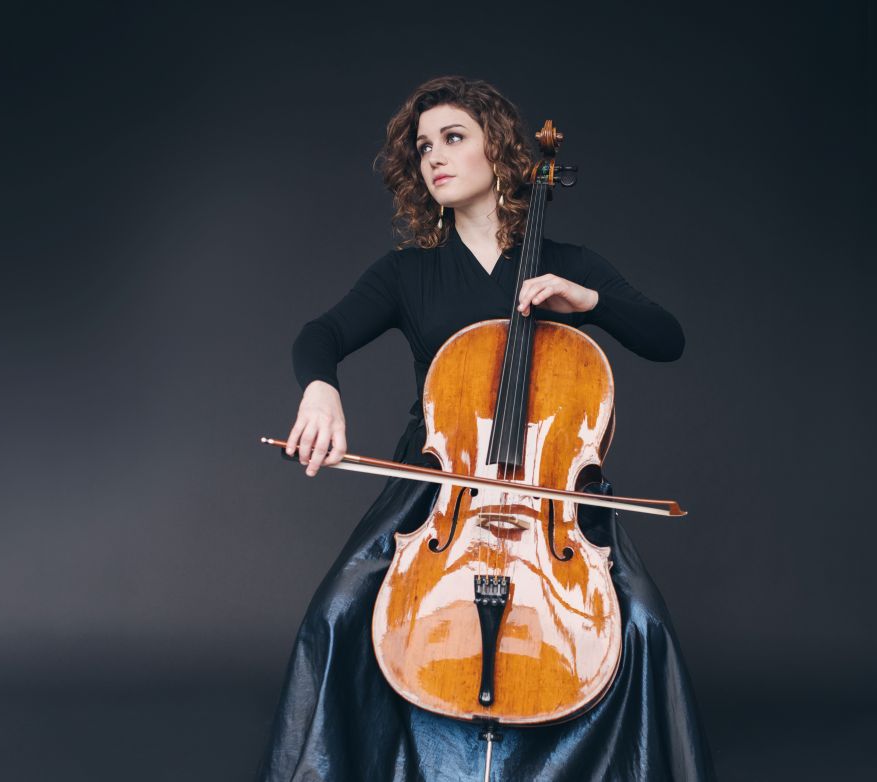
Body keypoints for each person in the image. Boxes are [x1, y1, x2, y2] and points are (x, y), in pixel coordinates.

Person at [256, 75, 715, 782]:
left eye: (453, 138)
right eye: (423, 147)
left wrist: (590, 301)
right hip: (440, 489)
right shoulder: (408, 274)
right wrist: (320, 390)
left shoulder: (569, 265)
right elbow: (321, 335)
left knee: (644, 624)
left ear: (498, 150)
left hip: (552, 496)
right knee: (338, 611)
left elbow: (667, 338)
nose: (434, 157)